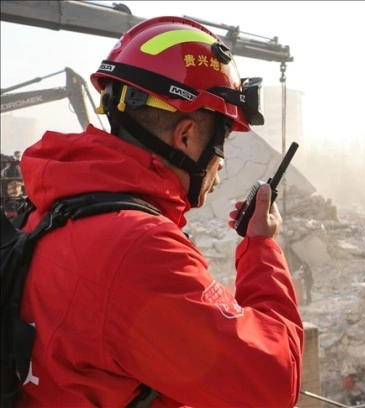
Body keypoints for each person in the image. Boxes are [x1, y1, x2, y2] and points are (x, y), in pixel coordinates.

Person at [15, 16, 303, 407]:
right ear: (185, 136)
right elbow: (272, 382)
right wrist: (261, 248)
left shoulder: (55, 206)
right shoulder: (139, 248)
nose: (221, 163)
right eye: (222, 144)